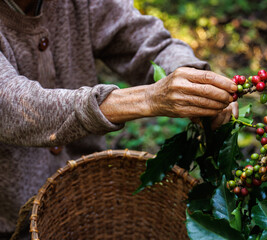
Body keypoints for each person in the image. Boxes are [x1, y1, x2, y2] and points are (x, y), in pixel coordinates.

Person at [0, 0, 238, 238]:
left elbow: (149, 42)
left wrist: (195, 80)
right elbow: (13, 105)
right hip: (11, 219)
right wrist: (148, 98)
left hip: (87, 191)